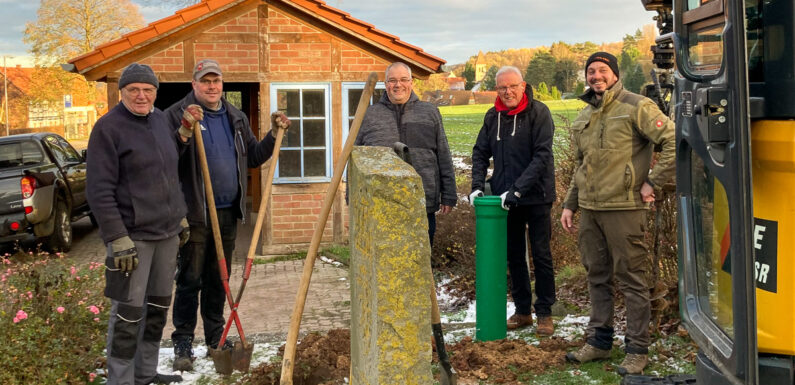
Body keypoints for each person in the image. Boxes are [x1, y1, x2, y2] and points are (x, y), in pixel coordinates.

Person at [165, 59, 290, 372]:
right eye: (205, 81)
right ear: (194, 85)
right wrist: (183, 129)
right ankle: (181, 341)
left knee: (218, 277)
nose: (211, 86)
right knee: (190, 278)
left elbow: (254, 156)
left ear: (222, 84)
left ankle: (214, 338)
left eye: (216, 81)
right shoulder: (177, 114)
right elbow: (166, 158)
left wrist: (274, 134)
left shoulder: (235, 117)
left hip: (226, 210)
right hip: (194, 211)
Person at [561, 52, 675, 375]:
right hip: (591, 211)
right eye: (591, 71)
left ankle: (637, 349)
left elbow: (671, 139)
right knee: (596, 275)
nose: (596, 75)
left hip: (624, 208)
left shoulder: (636, 106)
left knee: (632, 279)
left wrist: (652, 183)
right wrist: (571, 204)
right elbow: (581, 165)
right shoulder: (585, 116)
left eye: (602, 70)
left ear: (614, 73)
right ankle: (599, 341)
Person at [87, 63, 188, 385]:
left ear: (155, 92)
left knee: (157, 309)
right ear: (123, 92)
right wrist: (116, 237)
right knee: (127, 315)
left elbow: (168, 174)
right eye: (134, 90)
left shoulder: (159, 121)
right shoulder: (108, 128)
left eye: (148, 90)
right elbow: (99, 189)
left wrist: (179, 215)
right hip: (133, 241)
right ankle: (121, 380)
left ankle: (145, 373)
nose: (141, 96)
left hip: (166, 234)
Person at [469, 66, 557, 335]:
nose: (507, 92)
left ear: (523, 86)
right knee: (514, 255)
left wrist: (518, 190)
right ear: (496, 89)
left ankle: (544, 312)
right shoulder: (492, 116)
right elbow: (480, 152)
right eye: (502, 88)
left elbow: (541, 157)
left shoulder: (539, 113)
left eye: (512, 86)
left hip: (537, 195)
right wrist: (476, 186)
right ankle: (522, 311)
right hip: (505, 198)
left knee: (541, 254)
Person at [355, 61, 457, 244]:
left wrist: (449, 194)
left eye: (403, 79)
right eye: (392, 80)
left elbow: (443, 154)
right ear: (386, 85)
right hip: (382, 202)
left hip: (422, 201)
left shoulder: (429, 113)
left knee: (422, 261)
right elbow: (356, 158)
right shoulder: (370, 115)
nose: (397, 85)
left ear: (411, 82)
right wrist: (352, 197)